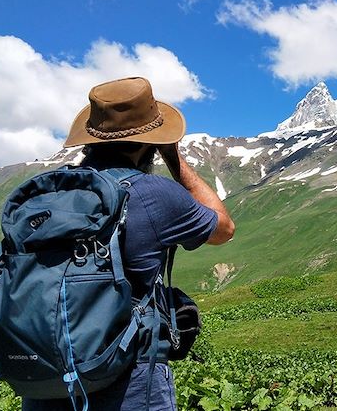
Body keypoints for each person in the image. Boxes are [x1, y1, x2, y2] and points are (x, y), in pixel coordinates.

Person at [21, 76, 235, 411]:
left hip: (45, 382)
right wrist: (175, 159)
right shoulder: (152, 194)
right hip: (129, 385)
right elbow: (223, 228)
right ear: (149, 142)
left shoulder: (44, 193)